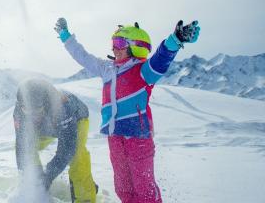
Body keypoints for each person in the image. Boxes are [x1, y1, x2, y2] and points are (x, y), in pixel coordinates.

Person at [54, 18, 200, 203]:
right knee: (123, 188)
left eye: (120, 43)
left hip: (137, 136)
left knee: (143, 188)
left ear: (136, 46)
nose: (114, 48)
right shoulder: (107, 69)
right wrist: (66, 36)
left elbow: (161, 59)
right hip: (115, 136)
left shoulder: (143, 71)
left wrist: (175, 39)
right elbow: (83, 56)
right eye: (114, 43)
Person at [13, 79, 98, 203]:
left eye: (37, 110)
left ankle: (85, 197)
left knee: (77, 155)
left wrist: (49, 174)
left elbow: (68, 147)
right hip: (45, 128)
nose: (32, 115)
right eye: (27, 110)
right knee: (27, 148)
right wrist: (34, 176)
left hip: (77, 120)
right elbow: (22, 146)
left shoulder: (61, 106)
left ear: (45, 103)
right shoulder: (19, 113)